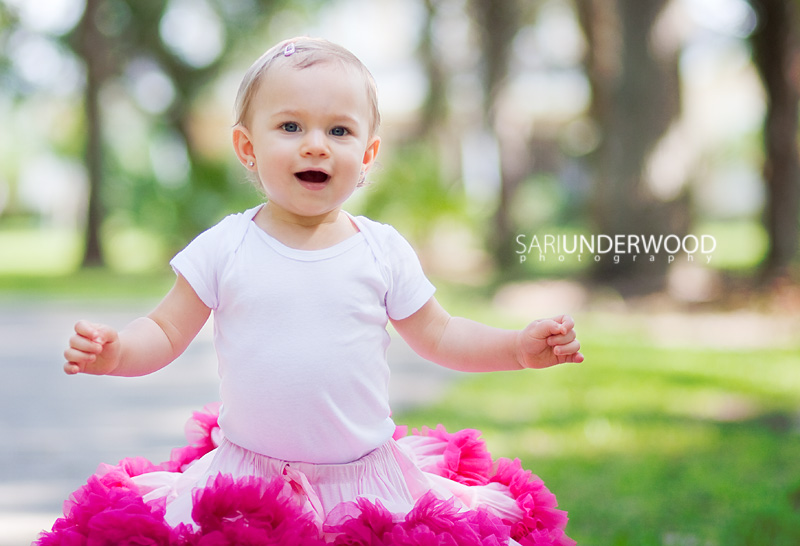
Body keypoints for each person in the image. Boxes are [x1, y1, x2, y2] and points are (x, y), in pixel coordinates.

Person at [40, 37, 583, 546]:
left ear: (368, 156)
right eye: (292, 127)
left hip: (366, 485)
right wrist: (117, 353)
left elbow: (442, 334)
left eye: (339, 132)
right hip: (247, 484)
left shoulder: (381, 250)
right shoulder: (226, 246)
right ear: (247, 147)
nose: (316, 146)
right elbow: (163, 329)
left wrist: (516, 348)